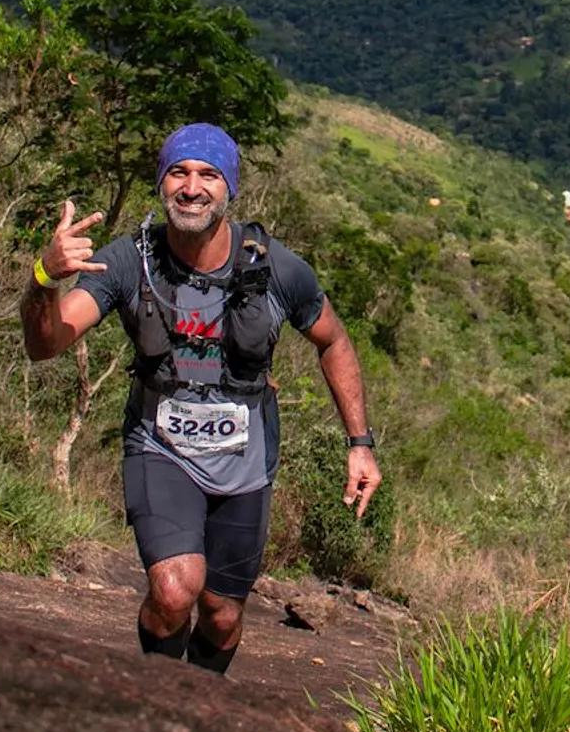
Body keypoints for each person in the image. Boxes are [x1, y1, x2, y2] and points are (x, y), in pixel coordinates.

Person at [20, 123, 380, 675]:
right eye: (179, 173)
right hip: (159, 446)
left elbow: (333, 340)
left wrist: (359, 443)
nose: (192, 187)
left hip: (245, 462)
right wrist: (45, 278)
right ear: (162, 183)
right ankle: (162, 704)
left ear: (228, 188)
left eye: (208, 175)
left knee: (221, 615)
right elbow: (45, 345)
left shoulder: (277, 269)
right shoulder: (125, 262)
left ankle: (199, 705)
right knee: (173, 590)